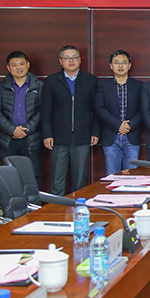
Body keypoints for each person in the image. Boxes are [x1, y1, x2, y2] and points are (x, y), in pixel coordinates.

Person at [41, 45, 99, 195]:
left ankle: (77, 209)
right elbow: (46, 110)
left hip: (82, 137)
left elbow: (96, 109)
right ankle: (56, 209)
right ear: (61, 61)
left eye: (74, 57)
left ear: (80, 60)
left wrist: (95, 132)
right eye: (67, 58)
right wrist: (47, 134)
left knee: (80, 181)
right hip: (58, 138)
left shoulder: (90, 80)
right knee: (57, 180)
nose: (71, 61)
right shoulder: (52, 81)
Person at [0, 51, 43, 187]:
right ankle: (13, 202)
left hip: (31, 139)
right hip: (8, 139)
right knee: (8, 178)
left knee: (33, 176)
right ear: (8, 68)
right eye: (14, 65)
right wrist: (12, 129)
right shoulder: (0, 87)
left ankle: (33, 202)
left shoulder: (39, 86)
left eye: (21, 64)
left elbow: (43, 110)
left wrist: (27, 129)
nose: (18, 68)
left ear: (28, 65)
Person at [95, 50, 143, 175]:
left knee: (132, 175)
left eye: (124, 63)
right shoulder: (102, 86)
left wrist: (130, 125)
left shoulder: (139, 86)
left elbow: (144, 109)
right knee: (112, 175)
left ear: (129, 65)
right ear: (111, 66)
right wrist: (118, 125)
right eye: (116, 63)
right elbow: (99, 108)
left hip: (132, 136)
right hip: (111, 136)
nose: (120, 66)